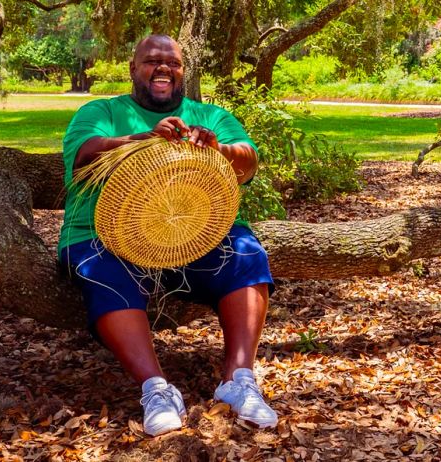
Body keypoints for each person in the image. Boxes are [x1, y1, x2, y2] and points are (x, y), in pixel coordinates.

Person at [58, 34, 277, 436]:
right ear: (133, 68)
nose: (163, 68)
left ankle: (239, 380)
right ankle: (156, 389)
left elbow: (249, 161)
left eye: (173, 63)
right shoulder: (102, 111)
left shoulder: (209, 115)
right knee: (101, 271)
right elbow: (85, 156)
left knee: (246, 253)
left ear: (183, 71)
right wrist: (143, 139)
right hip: (103, 236)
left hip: (194, 236)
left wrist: (219, 149)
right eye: (152, 61)